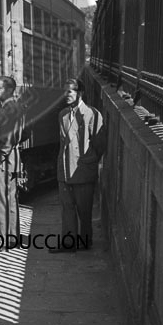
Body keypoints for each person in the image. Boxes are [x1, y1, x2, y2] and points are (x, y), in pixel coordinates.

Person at [51, 78, 105, 253]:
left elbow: (99, 143)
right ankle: (68, 243)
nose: (66, 95)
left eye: (70, 92)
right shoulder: (63, 114)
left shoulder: (92, 114)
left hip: (83, 168)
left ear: (79, 93)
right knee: (67, 208)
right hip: (65, 168)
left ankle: (84, 241)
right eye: (65, 91)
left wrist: (88, 160)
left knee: (84, 209)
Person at [0, 76, 24, 250]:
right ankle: (12, 237)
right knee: (11, 200)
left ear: (9, 90)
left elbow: (7, 140)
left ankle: (0, 240)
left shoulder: (8, 109)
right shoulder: (16, 107)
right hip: (12, 159)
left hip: (4, 161)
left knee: (0, 201)